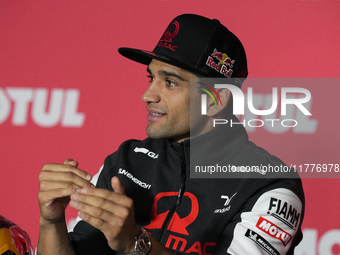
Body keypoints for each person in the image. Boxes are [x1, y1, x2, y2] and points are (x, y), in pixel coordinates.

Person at [37, 14, 305, 255]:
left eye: (170, 82)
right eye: (150, 78)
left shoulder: (270, 184)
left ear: (216, 100)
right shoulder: (127, 161)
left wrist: (135, 243)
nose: (148, 95)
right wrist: (51, 223)